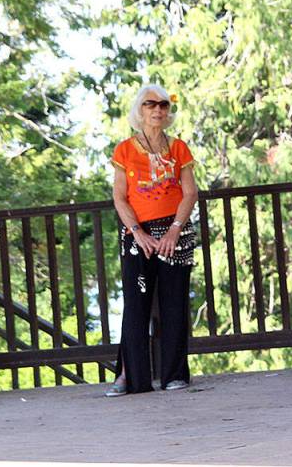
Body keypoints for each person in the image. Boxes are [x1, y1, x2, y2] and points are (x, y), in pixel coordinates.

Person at [107, 84, 197, 396]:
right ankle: (132, 378)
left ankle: (174, 375)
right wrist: (138, 232)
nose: (157, 110)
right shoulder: (125, 150)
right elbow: (119, 198)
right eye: (150, 104)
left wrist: (174, 229)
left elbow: (190, 193)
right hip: (138, 234)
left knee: (174, 303)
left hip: (176, 232)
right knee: (136, 305)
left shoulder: (179, 149)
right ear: (140, 110)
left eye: (163, 105)